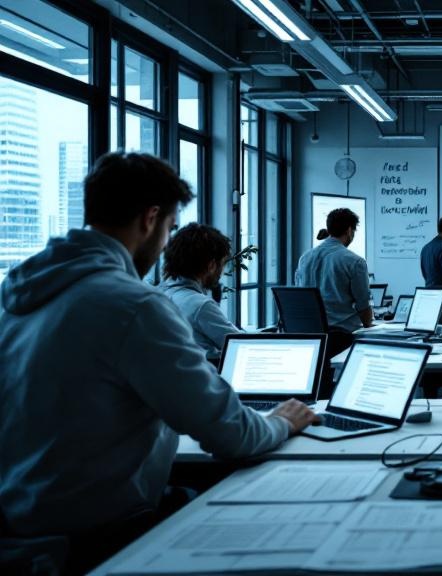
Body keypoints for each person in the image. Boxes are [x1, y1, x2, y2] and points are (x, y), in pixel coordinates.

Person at [0, 152, 316, 572]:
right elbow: (232, 435)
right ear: (150, 219)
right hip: (97, 539)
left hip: (20, 528)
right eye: (168, 228)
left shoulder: (21, 296)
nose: (166, 244)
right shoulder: (132, 306)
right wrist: (282, 420)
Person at [159, 223, 241, 360]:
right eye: (222, 264)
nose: (221, 272)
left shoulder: (157, 294)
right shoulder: (200, 305)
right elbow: (241, 345)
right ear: (211, 266)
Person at [294, 208, 373, 335]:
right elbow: (363, 305)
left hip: (310, 334)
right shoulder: (355, 262)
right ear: (349, 230)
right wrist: (369, 325)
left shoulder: (304, 258)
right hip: (341, 336)